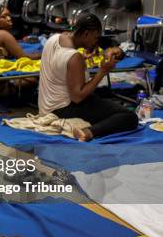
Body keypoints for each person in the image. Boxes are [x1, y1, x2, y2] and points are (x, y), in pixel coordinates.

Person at [38, 13, 138, 141]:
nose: (96, 41)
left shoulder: (55, 38)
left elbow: (60, 67)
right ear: (86, 34)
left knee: (104, 103)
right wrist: (102, 71)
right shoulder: (75, 57)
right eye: (95, 38)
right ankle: (88, 132)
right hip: (63, 110)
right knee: (128, 116)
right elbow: (77, 97)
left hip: (45, 107)